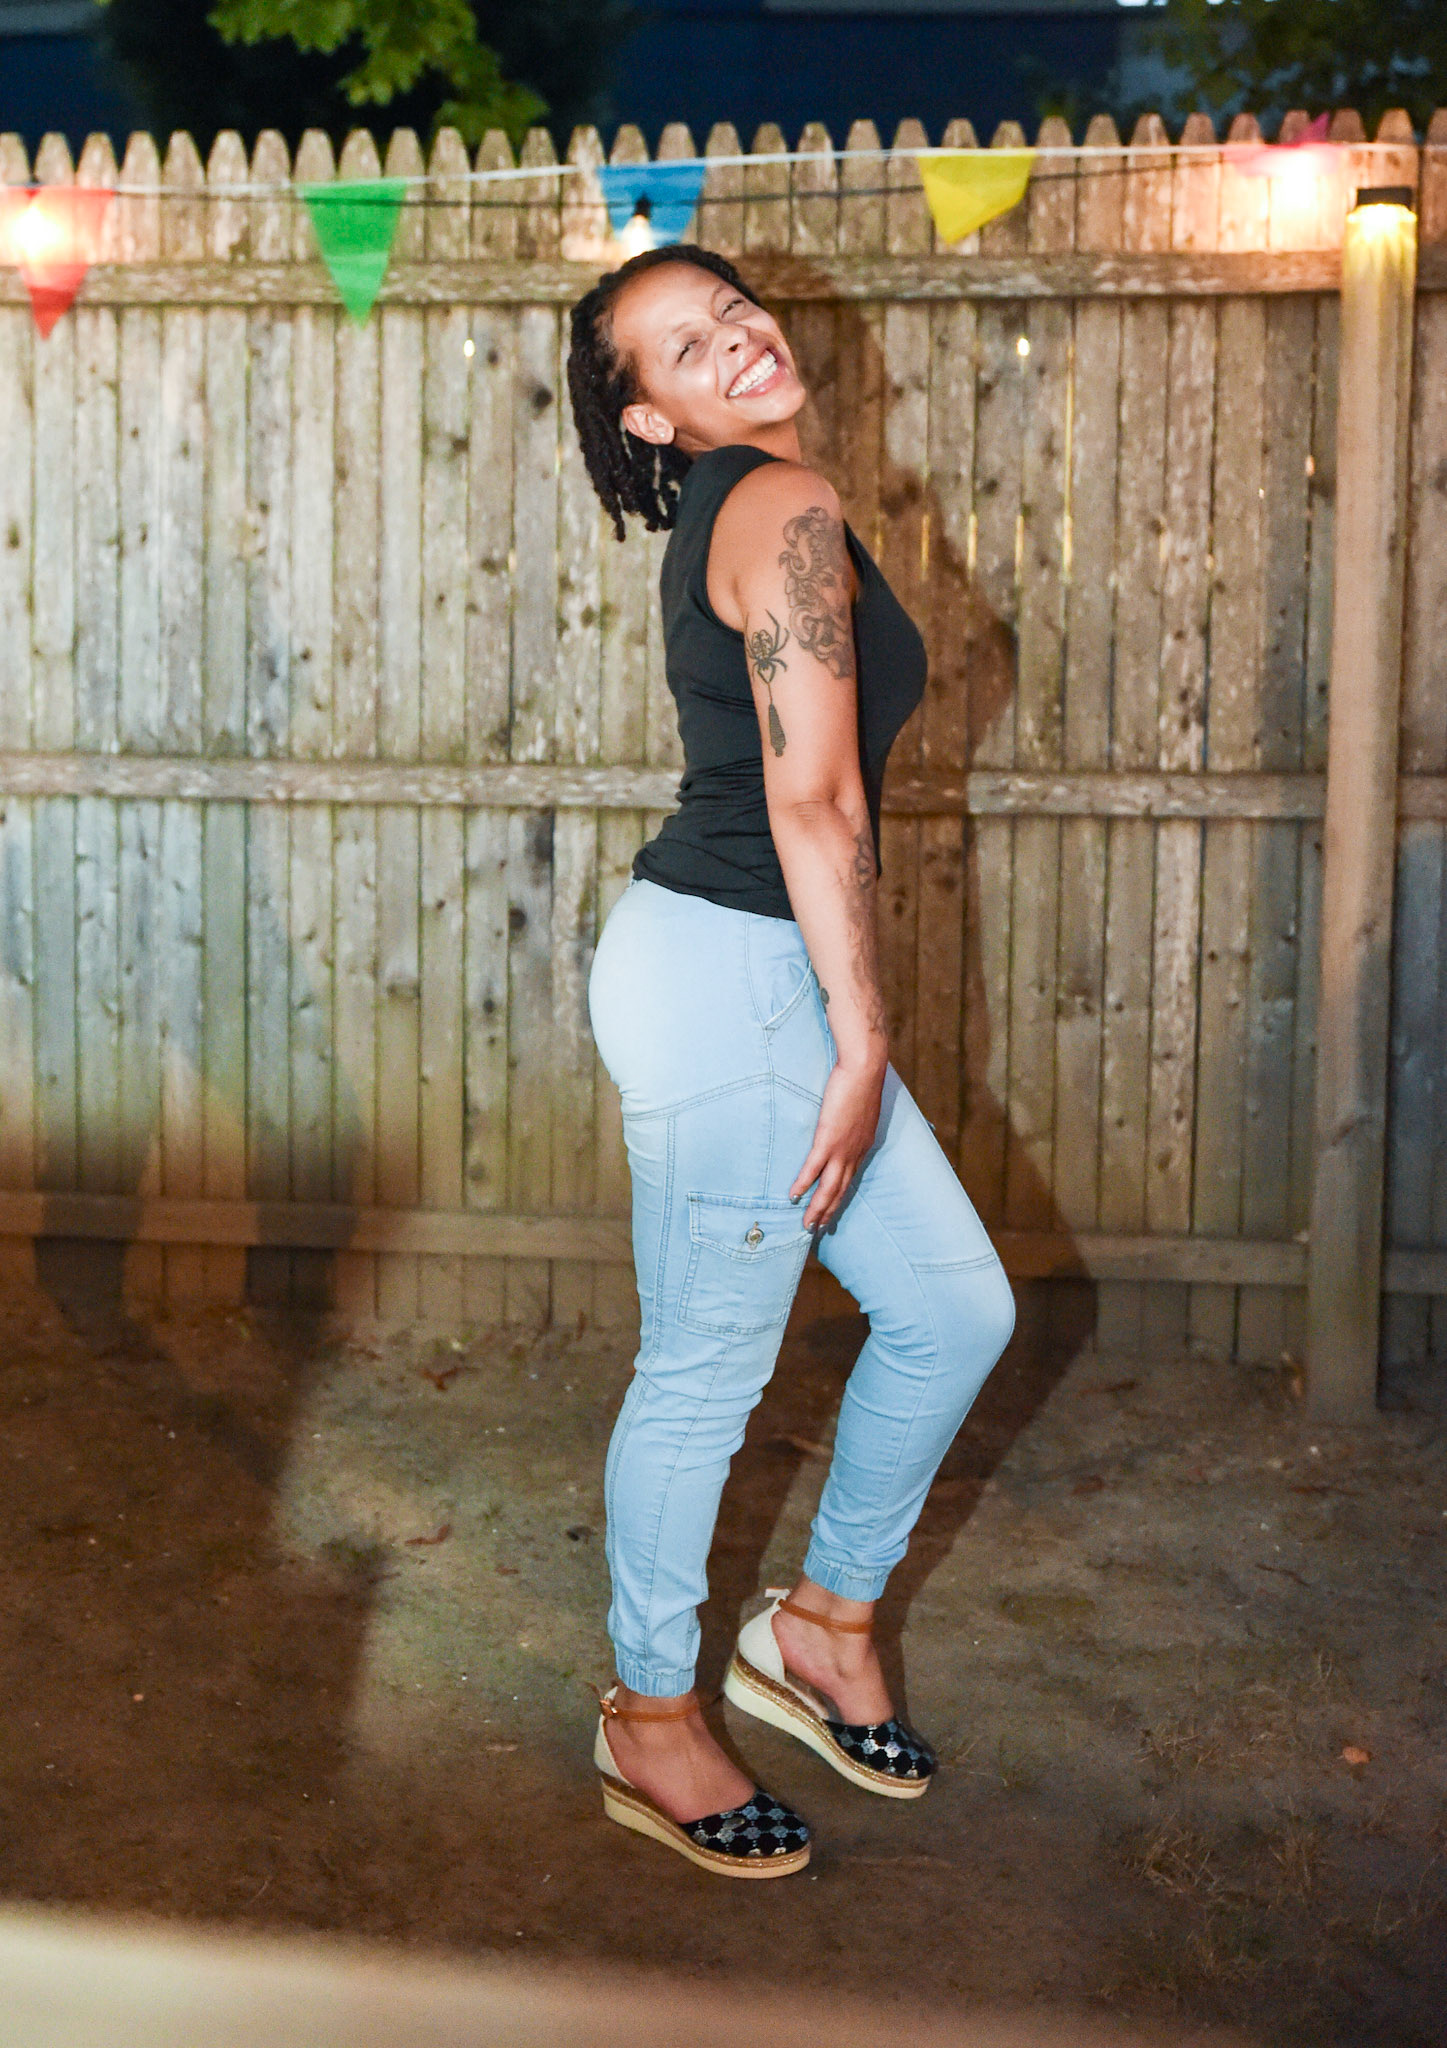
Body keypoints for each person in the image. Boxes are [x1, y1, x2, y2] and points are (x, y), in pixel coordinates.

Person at [566, 244, 1016, 1879]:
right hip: (731, 984)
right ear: (651, 416)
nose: (736, 340)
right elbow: (812, 798)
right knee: (704, 1371)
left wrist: (843, 1021)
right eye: (686, 347)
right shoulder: (779, 502)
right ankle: (648, 1714)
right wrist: (865, 1034)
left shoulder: (750, 505)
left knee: (956, 1310)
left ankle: (820, 1626)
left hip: (760, 971)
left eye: (732, 309)